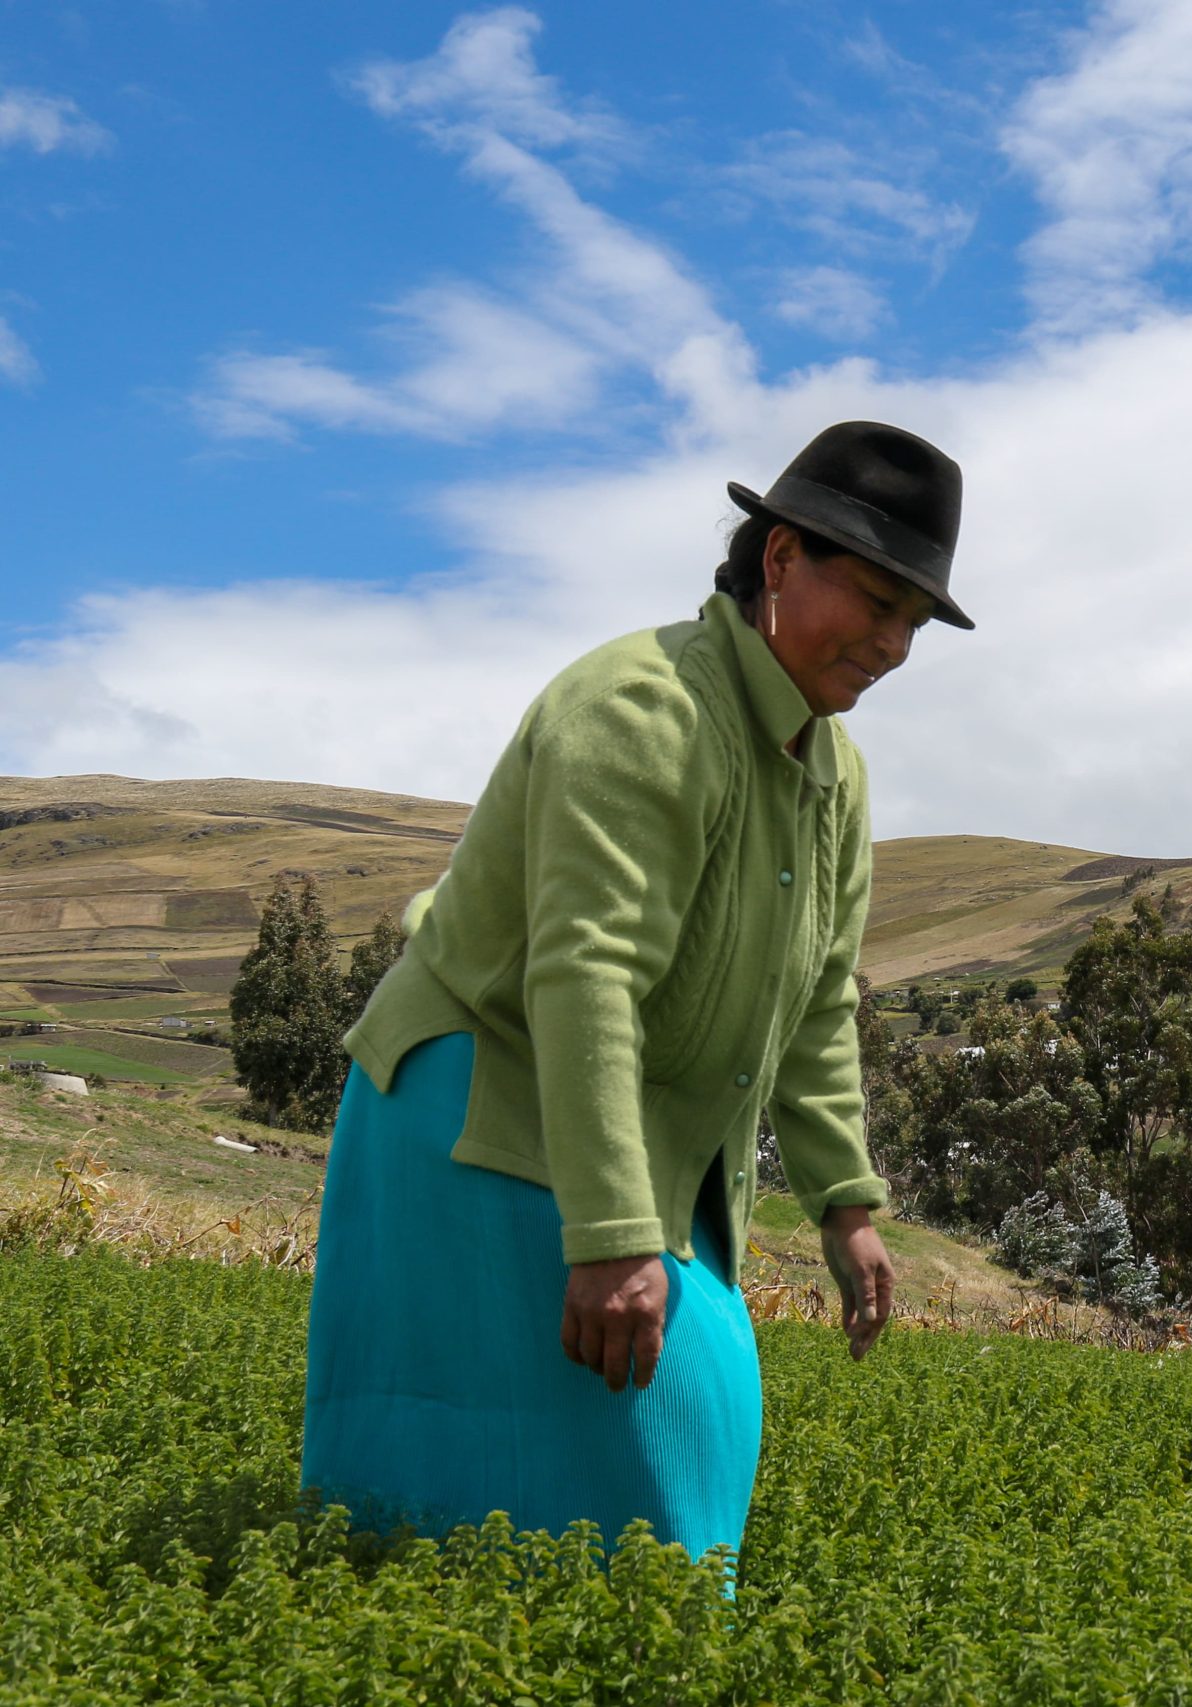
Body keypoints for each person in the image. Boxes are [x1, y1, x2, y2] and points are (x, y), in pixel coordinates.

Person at [300, 421, 974, 1562]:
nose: (892, 644)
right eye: (874, 600)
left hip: (632, 1139)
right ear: (778, 558)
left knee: (686, 1453)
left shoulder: (832, 773)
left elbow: (815, 1006)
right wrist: (610, 1236)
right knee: (496, 1494)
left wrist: (845, 1206)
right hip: (482, 1111)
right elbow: (587, 970)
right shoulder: (641, 708)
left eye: (913, 621)